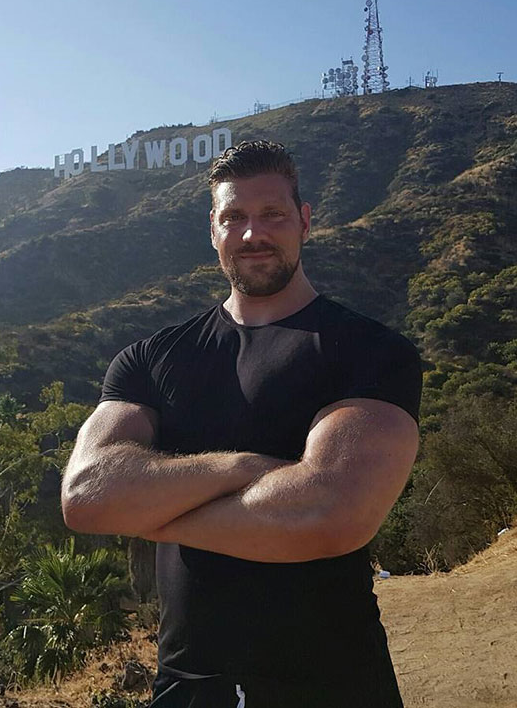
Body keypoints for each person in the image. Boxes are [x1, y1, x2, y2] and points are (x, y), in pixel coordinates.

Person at [61, 140, 422, 707]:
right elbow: (87, 496)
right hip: (186, 688)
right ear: (212, 228)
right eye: (234, 217)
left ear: (304, 221)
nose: (253, 234)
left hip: (333, 686)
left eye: (272, 214)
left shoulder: (370, 352)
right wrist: (246, 468)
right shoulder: (150, 360)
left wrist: (155, 514)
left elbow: (329, 512)